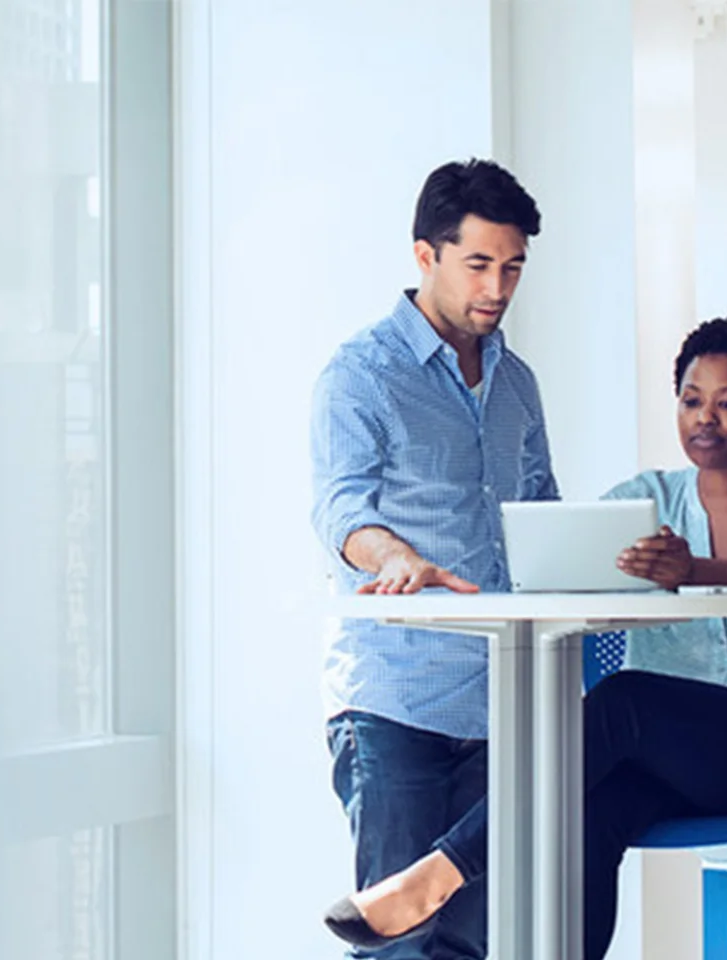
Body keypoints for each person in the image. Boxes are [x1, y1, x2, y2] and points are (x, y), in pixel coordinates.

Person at [323, 317, 727, 960]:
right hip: (674, 767)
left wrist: (693, 571)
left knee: (625, 700)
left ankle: (441, 872)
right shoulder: (646, 500)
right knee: (586, 812)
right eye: (692, 400)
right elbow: (566, 559)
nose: (706, 418)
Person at [310, 158, 557, 960]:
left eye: (512, 267)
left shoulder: (517, 384)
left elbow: (541, 514)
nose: (498, 287)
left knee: (479, 944)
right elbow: (342, 508)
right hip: (398, 704)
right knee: (398, 945)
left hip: (504, 704)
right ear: (426, 255)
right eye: (478, 264)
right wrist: (395, 555)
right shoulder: (362, 375)